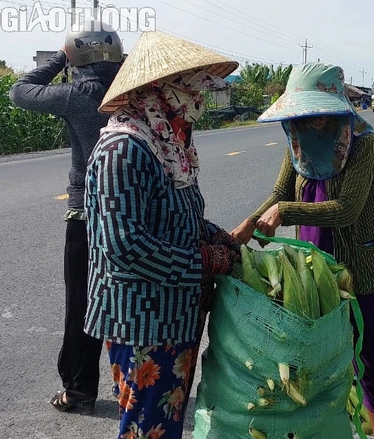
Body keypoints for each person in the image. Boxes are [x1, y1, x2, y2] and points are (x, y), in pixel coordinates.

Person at [84, 31, 240, 439]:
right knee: (146, 429)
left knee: (164, 426)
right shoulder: (125, 148)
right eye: (194, 90)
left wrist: (215, 235)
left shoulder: (167, 142)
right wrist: (207, 261)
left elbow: (176, 217)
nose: (201, 100)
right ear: (163, 90)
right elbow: (125, 247)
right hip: (143, 322)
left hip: (175, 315)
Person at [231, 63, 374, 439]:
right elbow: (280, 193)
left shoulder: (362, 141)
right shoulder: (298, 140)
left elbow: (347, 209)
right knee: (319, 355)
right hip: (313, 264)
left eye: (316, 113)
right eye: (303, 113)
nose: (309, 120)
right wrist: (248, 223)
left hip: (360, 264)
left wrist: (286, 212)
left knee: (370, 357)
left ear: (333, 106)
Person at [8, 20, 124, 414]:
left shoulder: (80, 94)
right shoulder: (130, 89)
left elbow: (19, 91)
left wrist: (61, 56)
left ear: (78, 56)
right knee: (126, 295)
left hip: (88, 212)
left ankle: (78, 390)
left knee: (82, 300)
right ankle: (136, 379)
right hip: (129, 208)